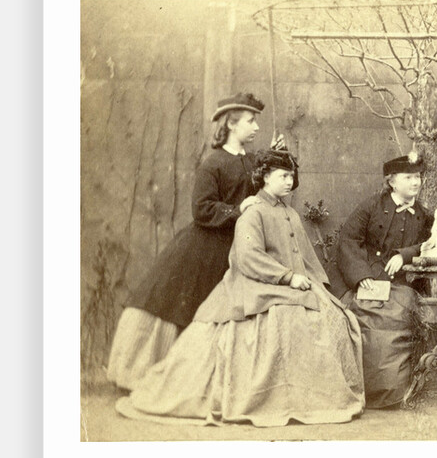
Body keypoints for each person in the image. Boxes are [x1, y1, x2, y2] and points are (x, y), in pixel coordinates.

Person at [115, 148, 365, 427]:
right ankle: (273, 397)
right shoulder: (252, 213)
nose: (288, 182)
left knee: (334, 316)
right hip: (256, 283)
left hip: (293, 283)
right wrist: (287, 277)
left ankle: (313, 396)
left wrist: (314, 283)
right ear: (265, 178)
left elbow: (305, 257)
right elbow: (248, 258)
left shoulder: (290, 213)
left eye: (291, 177)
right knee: (283, 322)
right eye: (283, 176)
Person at [107, 93, 265, 390]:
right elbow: (202, 208)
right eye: (250, 121)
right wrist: (237, 209)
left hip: (237, 247)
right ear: (232, 124)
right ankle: (151, 374)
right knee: (185, 307)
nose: (256, 126)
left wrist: (273, 161)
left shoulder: (252, 160)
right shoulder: (213, 163)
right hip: (204, 248)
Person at [331, 152, 434, 409]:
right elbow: (348, 240)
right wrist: (361, 275)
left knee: (396, 322)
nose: (416, 182)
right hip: (365, 279)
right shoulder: (371, 206)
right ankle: (361, 389)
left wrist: (405, 254)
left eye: (418, 177)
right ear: (392, 181)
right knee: (362, 320)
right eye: (409, 177)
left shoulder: (424, 215)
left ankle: (393, 392)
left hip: (400, 285)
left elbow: (432, 243)